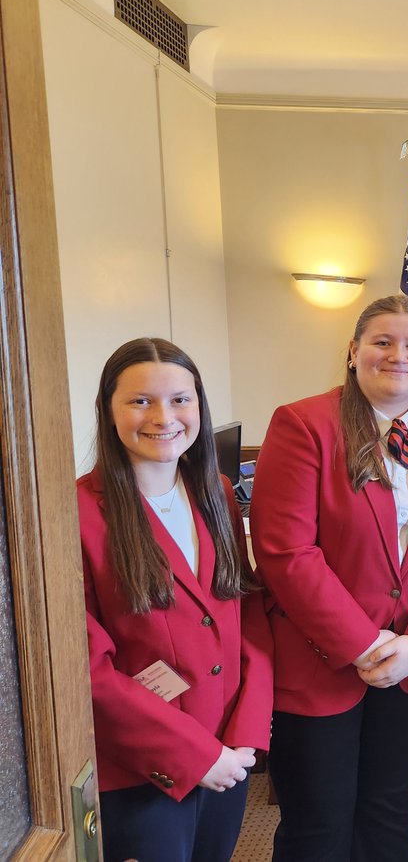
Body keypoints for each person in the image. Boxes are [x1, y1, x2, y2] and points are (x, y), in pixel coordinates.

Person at [250, 294, 408, 861]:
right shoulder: (303, 424)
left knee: (388, 808)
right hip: (320, 662)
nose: (399, 355)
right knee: (318, 824)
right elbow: (286, 554)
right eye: (382, 342)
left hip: (407, 665)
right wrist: (366, 644)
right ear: (353, 352)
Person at [79, 337, 272, 862]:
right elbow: (88, 669)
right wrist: (196, 754)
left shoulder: (216, 492)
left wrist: (245, 735)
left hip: (229, 756)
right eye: (140, 400)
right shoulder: (75, 512)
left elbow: (249, 618)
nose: (164, 416)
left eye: (180, 399)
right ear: (107, 409)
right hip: (142, 769)